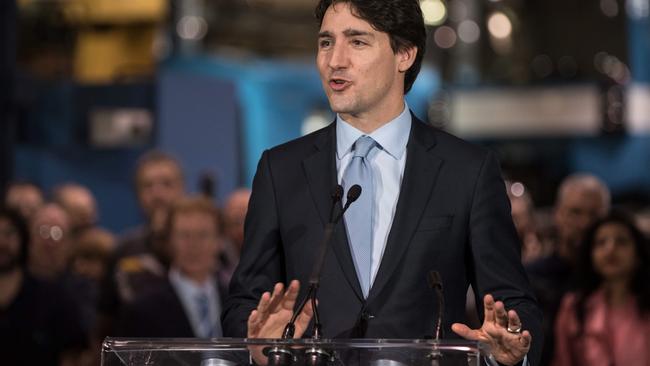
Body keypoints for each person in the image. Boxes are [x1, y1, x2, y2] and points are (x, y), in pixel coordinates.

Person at [222, 1, 542, 365]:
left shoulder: (467, 171)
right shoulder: (280, 170)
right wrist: (259, 346)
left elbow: (514, 306)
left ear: (404, 54)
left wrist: (511, 351)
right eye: (326, 42)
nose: (335, 61)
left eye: (357, 42)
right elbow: (244, 304)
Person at [526, 173, 610, 365]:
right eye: (575, 212)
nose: (585, 223)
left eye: (594, 215)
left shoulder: (619, 280)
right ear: (558, 214)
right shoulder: (530, 278)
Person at [117, 196, 228, 338]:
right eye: (184, 235)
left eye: (203, 235)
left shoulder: (236, 302)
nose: (194, 245)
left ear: (220, 241)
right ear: (169, 241)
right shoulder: (141, 308)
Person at [552, 211, 650, 366]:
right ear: (590, 255)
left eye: (621, 241)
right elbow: (562, 361)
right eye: (601, 242)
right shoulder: (574, 307)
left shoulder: (645, 307)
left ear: (638, 255)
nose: (610, 249)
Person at [0, 206, 87, 366]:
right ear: (28, 238)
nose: (49, 242)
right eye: (43, 231)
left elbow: (75, 353)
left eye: (57, 233)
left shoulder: (76, 293)